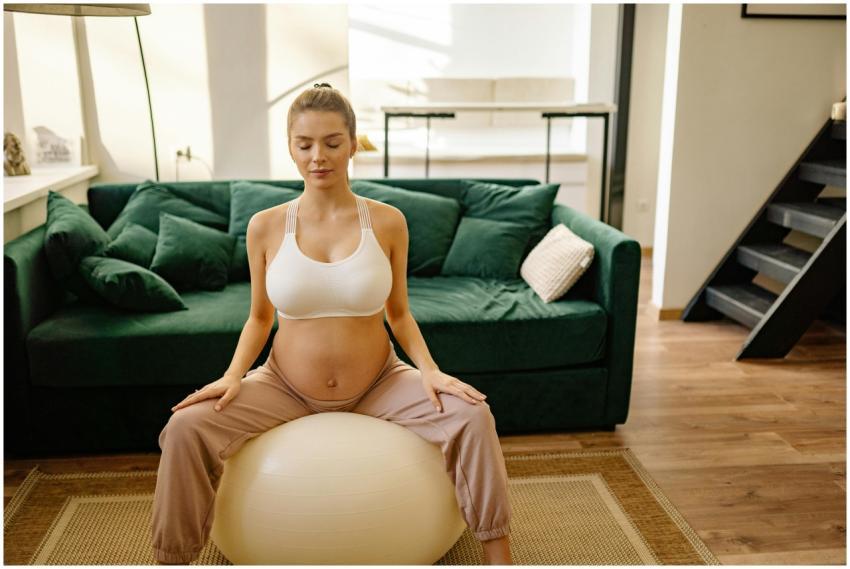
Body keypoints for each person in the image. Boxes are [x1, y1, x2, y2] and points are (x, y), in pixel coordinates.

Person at [150, 83, 513, 565]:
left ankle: (499, 556)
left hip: (380, 381)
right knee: (184, 427)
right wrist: (233, 376)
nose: (317, 156)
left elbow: (399, 314)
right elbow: (259, 318)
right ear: (290, 147)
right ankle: (172, 560)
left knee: (473, 414)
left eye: (332, 142)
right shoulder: (265, 226)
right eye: (304, 144)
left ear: (353, 144)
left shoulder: (387, 222)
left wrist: (430, 370)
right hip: (284, 385)